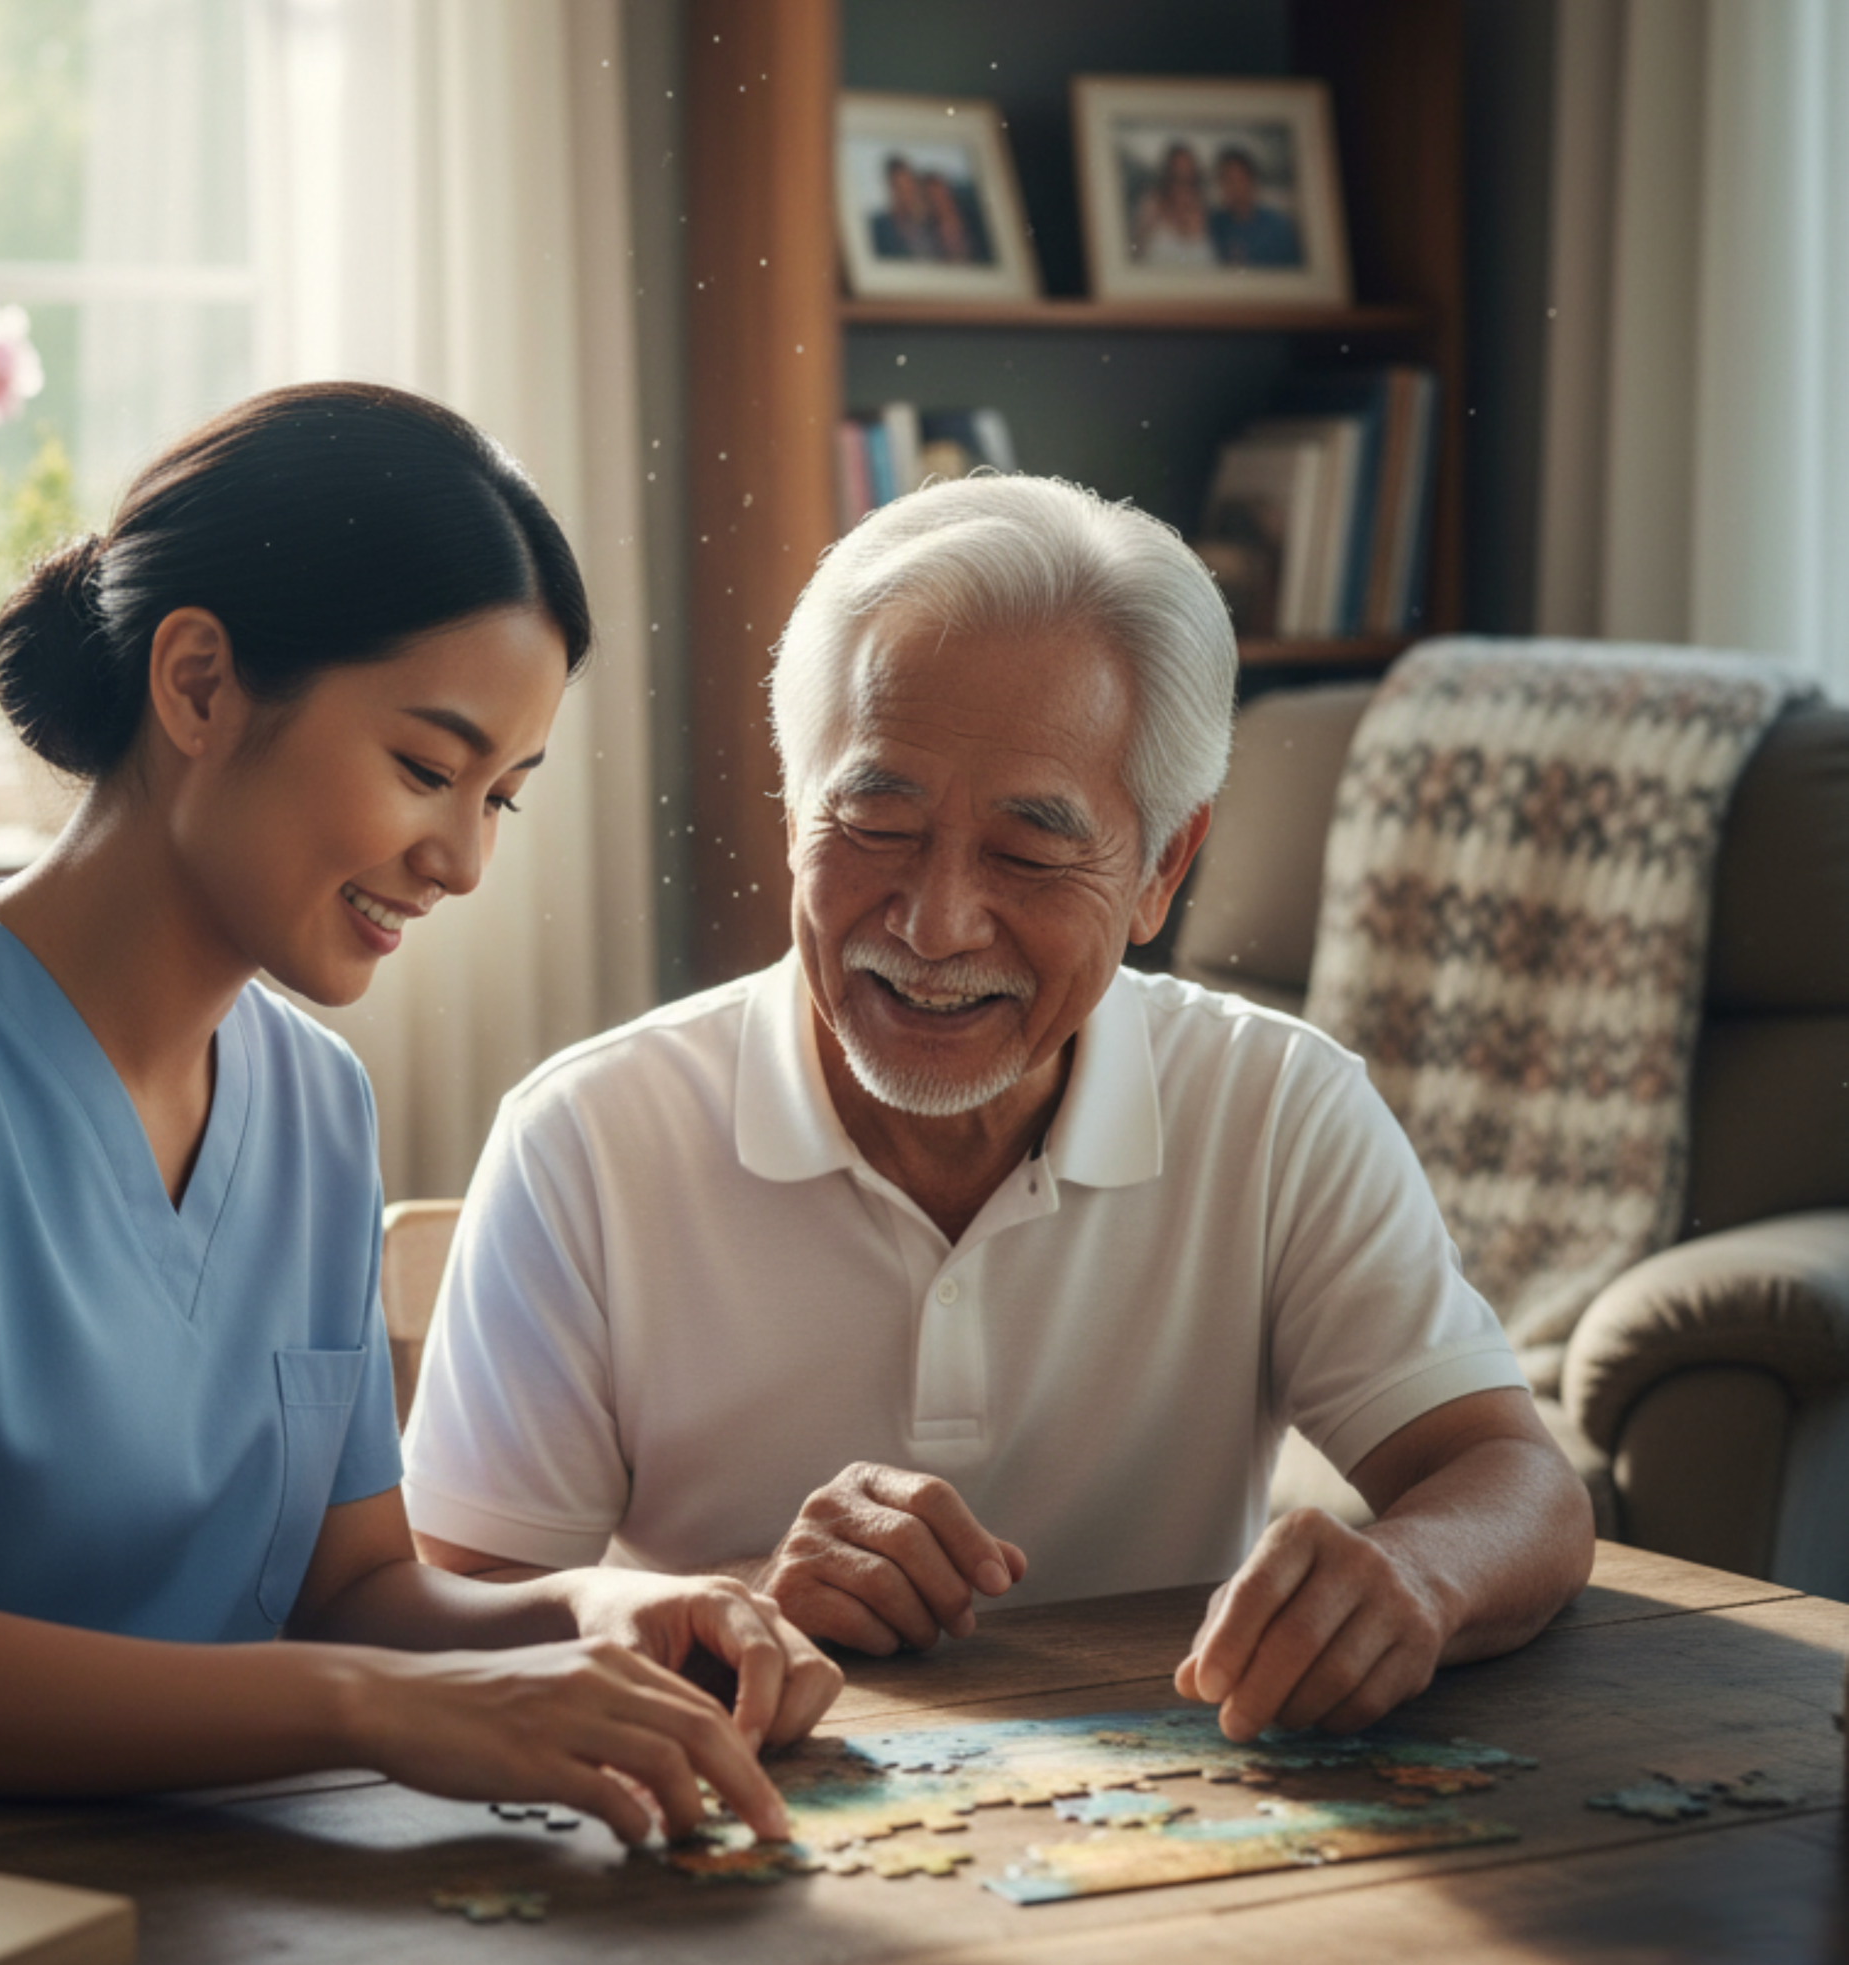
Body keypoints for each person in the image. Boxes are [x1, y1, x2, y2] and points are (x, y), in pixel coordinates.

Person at [0, 382, 837, 1841]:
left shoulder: (315, 1103)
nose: (462, 860)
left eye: (503, 799)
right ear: (200, 684)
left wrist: (595, 1605)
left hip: (115, 1880)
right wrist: (365, 1709)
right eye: (425, 768)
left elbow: (352, 1591)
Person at [404, 473, 1595, 1745]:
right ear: (789, 805)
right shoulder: (589, 1136)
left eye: (1028, 855)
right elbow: (445, 1612)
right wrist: (737, 1600)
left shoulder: (1277, 1103)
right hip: (744, 1846)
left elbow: (1515, 1482)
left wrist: (1412, 1573)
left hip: (1184, 1846)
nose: (934, 923)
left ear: (1161, 870)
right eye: (872, 821)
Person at [1207, 145, 1303, 267]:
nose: (1229, 187)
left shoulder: (1278, 228)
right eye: (1223, 179)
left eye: (1234, 179)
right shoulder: (1215, 224)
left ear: (1250, 180)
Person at [1128, 142, 1217, 269]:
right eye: (1176, 177)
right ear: (1167, 176)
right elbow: (1133, 255)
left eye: (1189, 179)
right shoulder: (1151, 204)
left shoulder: (1206, 207)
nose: (1183, 186)